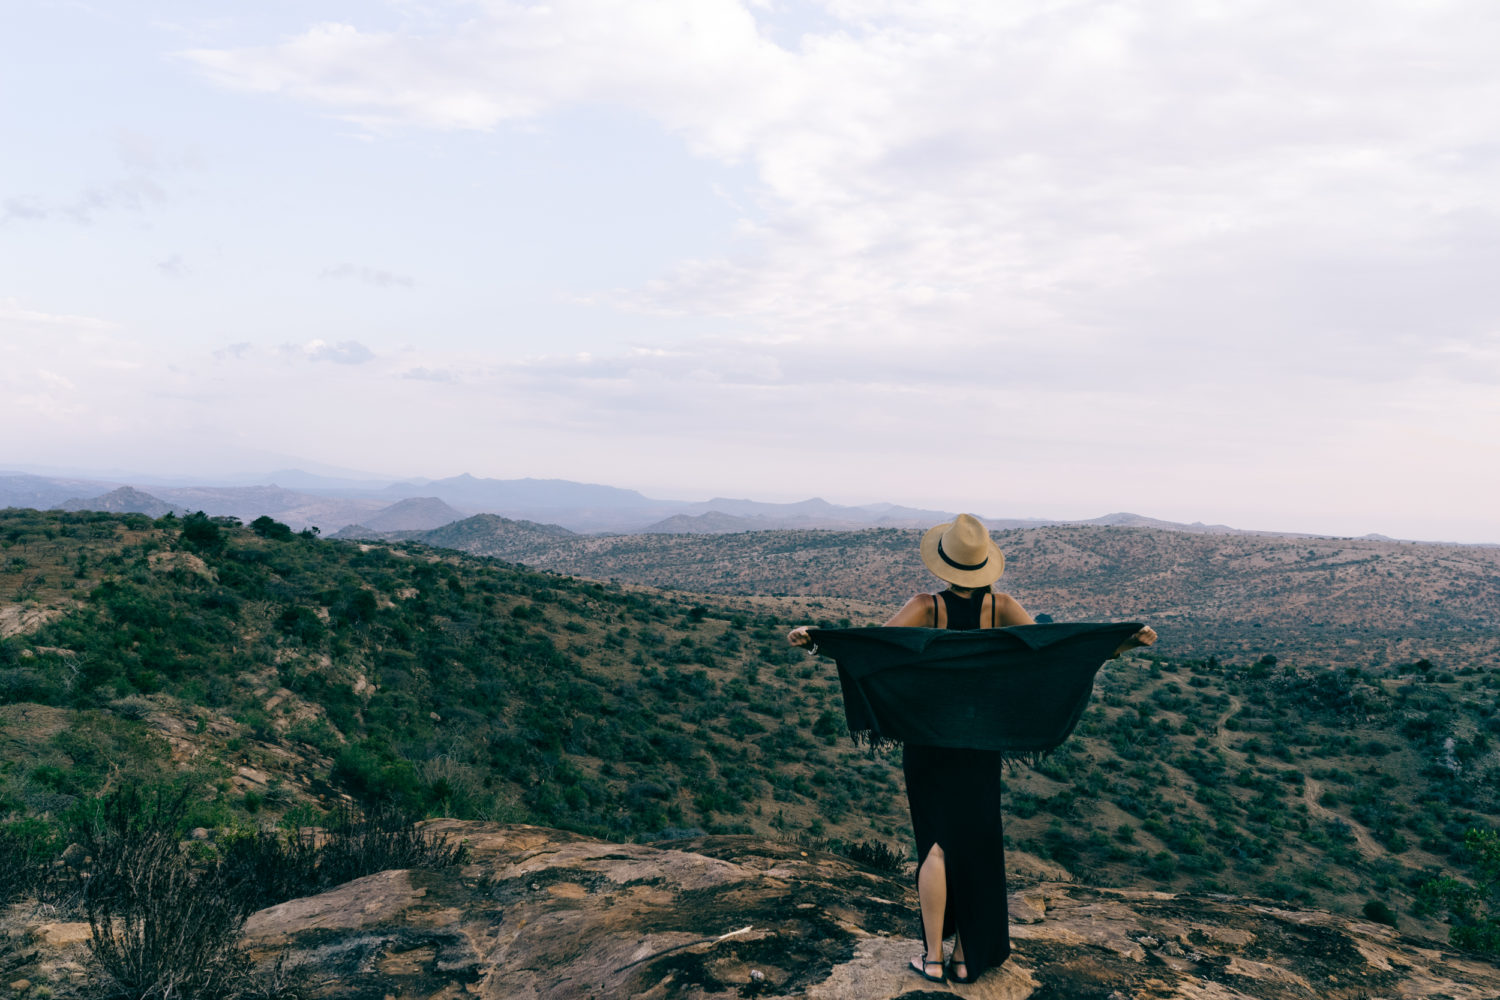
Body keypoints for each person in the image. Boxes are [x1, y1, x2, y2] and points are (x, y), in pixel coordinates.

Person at [787, 513, 1155, 985]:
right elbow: (1051, 655)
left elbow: (875, 651)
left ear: (942, 565)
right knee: (975, 845)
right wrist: (1119, 645)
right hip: (980, 744)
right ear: (984, 566)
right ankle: (966, 958)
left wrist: (815, 643)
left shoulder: (925, 606)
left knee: (935, 845)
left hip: (927, 742)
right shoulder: (1001, 607)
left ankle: (933, 958)